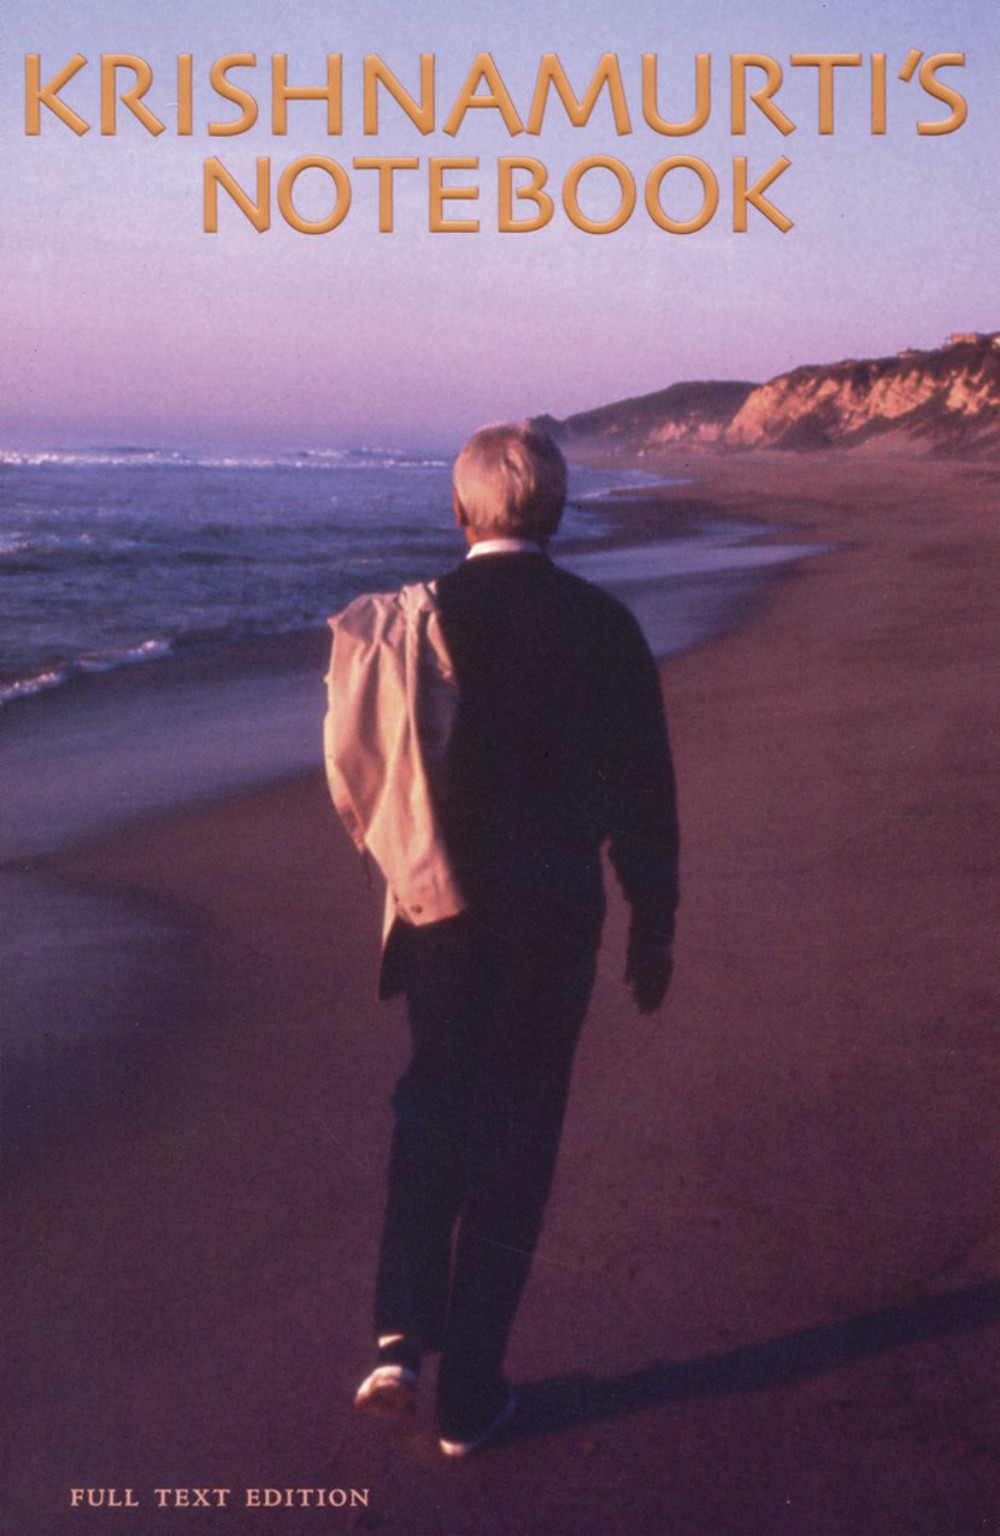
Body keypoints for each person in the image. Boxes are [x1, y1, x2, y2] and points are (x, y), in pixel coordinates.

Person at [325, 423, 679, 1457]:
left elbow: (370, 773)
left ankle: (397, 1337)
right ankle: (470, 1396)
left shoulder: (410, 622)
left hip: (441, 913)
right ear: (556, 511)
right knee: (517, 1140)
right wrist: (653, 928)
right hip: (555, 921)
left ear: (459, 512)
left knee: (431, 1103)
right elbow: (645, 797)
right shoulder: (604, 624)